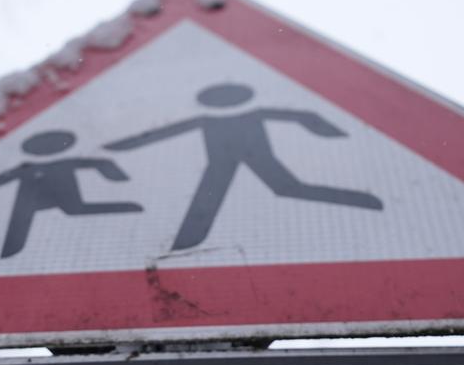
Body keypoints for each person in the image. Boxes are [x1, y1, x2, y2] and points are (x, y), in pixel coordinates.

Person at [105, 83, 383, 251]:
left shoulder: (251, 115)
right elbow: (162, 133)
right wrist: (121, 146)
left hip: (255, 158)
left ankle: (361, 199)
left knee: (287, 188)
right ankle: (184, 245)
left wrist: (324, 128)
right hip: (222, 163)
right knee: (210, 200)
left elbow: (299, 115)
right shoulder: (207, 120)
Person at [0, 130, 142, 259]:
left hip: (59, 191)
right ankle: (9, 254)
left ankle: (127, 207)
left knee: (74, 210)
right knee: (19, 225)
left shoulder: (60, 164)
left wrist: (115, 175)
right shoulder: (26, 168)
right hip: (28, 196)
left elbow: (97, 164)